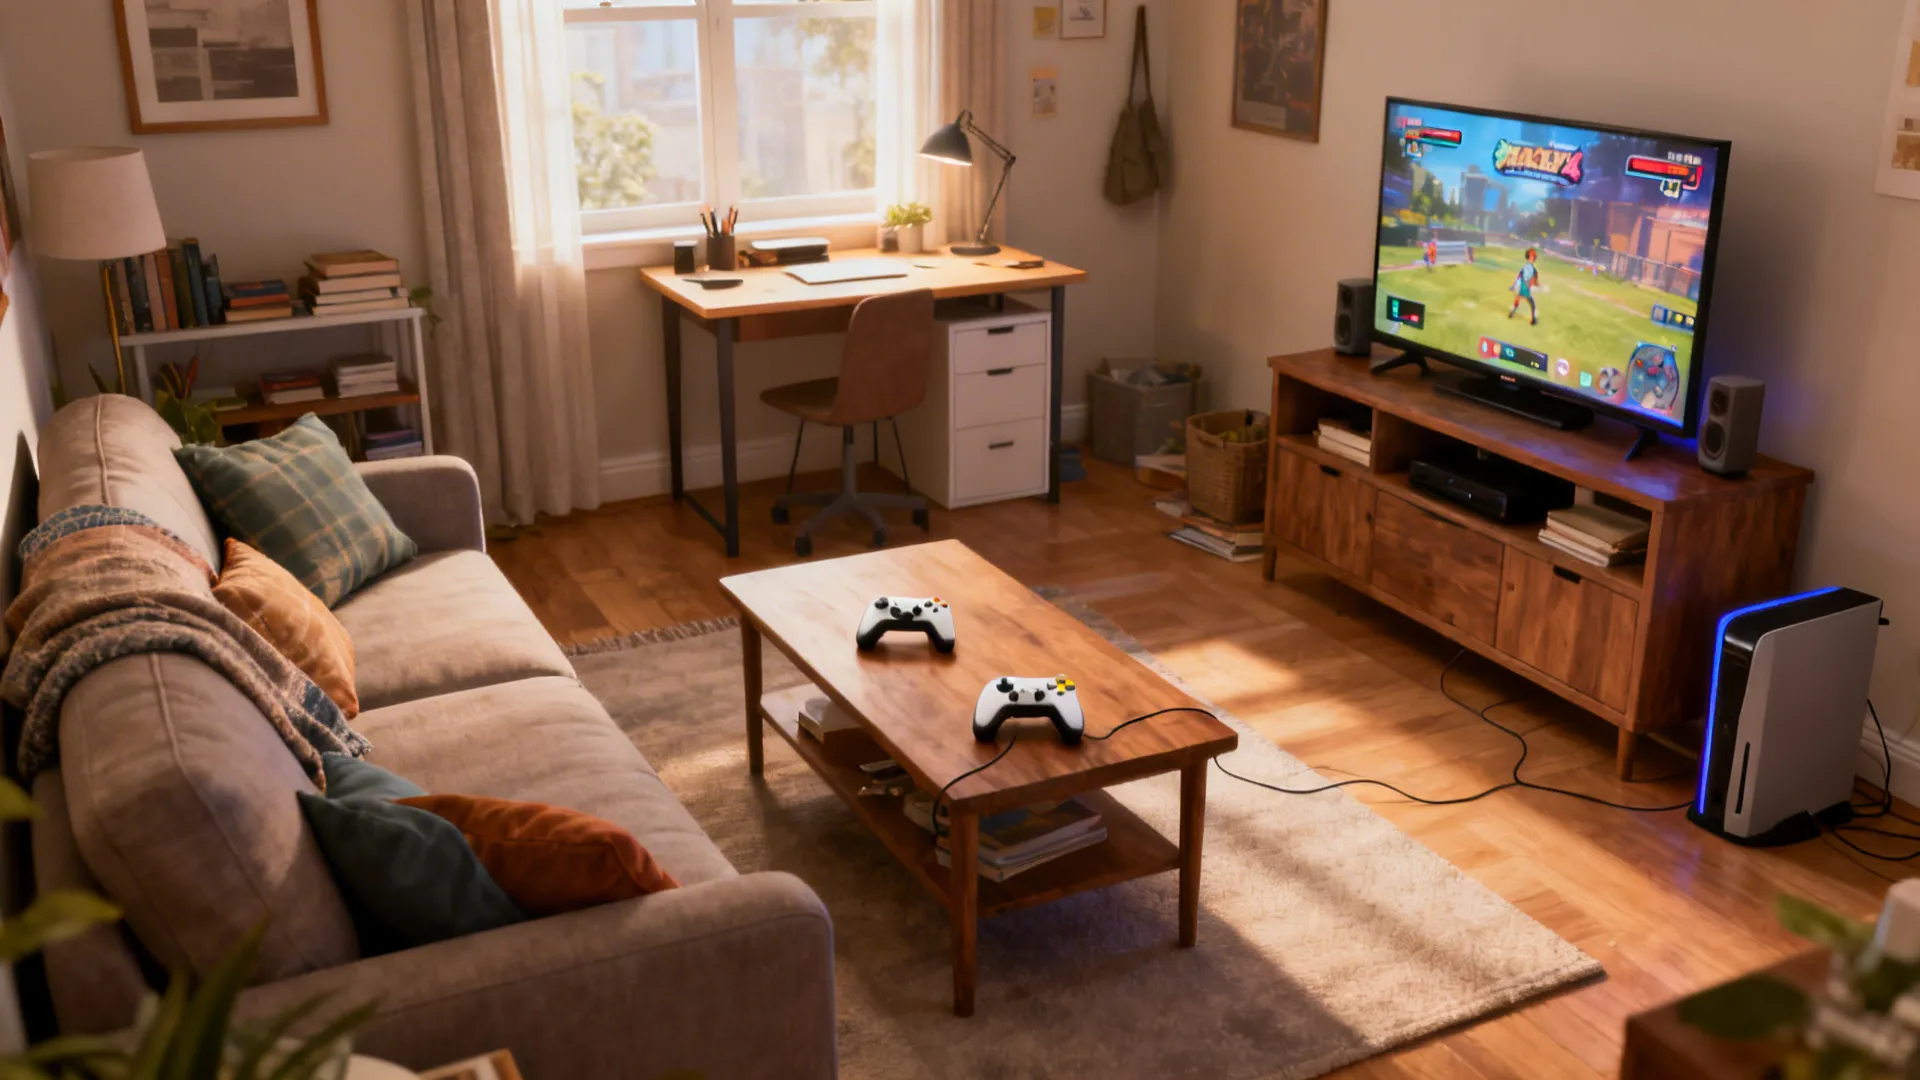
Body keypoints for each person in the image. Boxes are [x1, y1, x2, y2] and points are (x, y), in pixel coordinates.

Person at [1508, 247, 1541, 325]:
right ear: (1531, 257)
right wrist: (1533, 283)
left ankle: (1511, 313)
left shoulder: (1526, 267)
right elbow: (1531, 279)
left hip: (1522, 286)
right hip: (1525, 287)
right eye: (1532, 256)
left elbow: (1520, 275)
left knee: (1518, 299)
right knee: (1532, 304)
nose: (1534, 257)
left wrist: (1514, 285)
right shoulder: (1531, 268)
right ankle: (1533, 320)